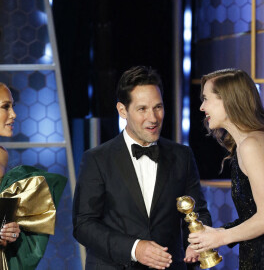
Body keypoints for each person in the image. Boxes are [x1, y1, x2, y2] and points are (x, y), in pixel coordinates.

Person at [72, 65, 212, 270]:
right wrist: (134, 248)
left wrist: (196, 242)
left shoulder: (182, 156)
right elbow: (83, 225)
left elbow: (197, 211)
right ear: (122, 110)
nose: (153, 118)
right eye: (142, 109)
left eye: (158, 107)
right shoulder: (96, 159)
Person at [188, 69, 264, 269]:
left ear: (228, 100)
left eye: (206, 99)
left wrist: (220, 237)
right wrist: (214, 234)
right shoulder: (253, 142)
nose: (202, 107)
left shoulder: (251, 146)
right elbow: (255, 216)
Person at [0, 82, 67, 270]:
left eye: (13, 106)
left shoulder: (2, 155)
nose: (13, 114)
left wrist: (9, 233)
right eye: (6, 107)